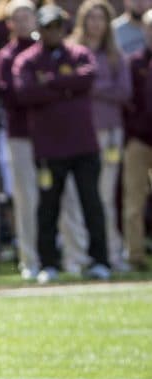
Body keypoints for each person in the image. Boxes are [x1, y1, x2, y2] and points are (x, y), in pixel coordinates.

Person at [13, 4, 112, 282]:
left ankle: (100, 261)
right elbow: (25, 92)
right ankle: (49, 263)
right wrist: (66, 87)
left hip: (83, 146)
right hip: (49, 148)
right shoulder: (28, 60)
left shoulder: (78, 53)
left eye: (57, 26)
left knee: (91, 203)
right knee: (48, 207)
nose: (53, 32)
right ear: (40, 30)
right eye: (47, 27)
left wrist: (51, 83)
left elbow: (88, 77)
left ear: (63, 28)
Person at [65, 0, 132, 271]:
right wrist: (94, 85)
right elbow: (67, 89)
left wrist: (89, 84)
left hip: (109, 133)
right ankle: (76, 258)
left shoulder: (116, 54)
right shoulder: (71, 51)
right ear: (83, 21)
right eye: (91, 18)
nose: (96, 23)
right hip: (77, 135)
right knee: (73, 198)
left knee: (105, 197)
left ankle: (112, 254)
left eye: (101, 18)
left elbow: (124, 92)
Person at [0, 0, 43, 279]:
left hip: (53, 137)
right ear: (10, 23)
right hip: (20, 135)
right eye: (18, 17)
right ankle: (30, 260)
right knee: (26, 199)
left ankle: (66, 257)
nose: (24, 21)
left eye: (28, 16)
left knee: (62, 198)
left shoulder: (50, 50)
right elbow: (13, 95)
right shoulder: (6, 56)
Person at [123, 10, 152, 270]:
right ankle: (135, 256)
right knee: (134, 201)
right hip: (140, 140)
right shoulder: (134, 63)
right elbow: (127, 101)